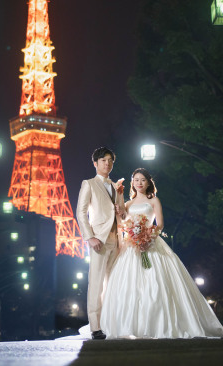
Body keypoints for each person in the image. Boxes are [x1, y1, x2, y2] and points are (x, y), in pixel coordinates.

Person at [99, 168, 223, 339]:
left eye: (142, 180)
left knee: (157, 285)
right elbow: (122, 223)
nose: (139, 183)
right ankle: (131, 326)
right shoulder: (128, 204)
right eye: (136, 180)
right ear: (132, 182)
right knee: (130, 287)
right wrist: (122, 216)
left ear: (148, 183)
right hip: (131, 247)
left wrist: (147, 237)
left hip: (151, 242)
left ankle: (159, 324)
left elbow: (159, 225)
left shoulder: (154, 201)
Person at [75, 146, 125, 340]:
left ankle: (110, 322)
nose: (107, 163)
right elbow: (81, 213)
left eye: (110, 160)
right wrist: (90, 237)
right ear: (95, 163)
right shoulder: (89, 184)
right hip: (99, 240)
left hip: (116, 240)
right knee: (96, 283)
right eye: (103, 160)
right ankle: (95, 326)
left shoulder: (115, 186)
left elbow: (121, 212)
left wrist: (122, 211)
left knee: (113, 284)